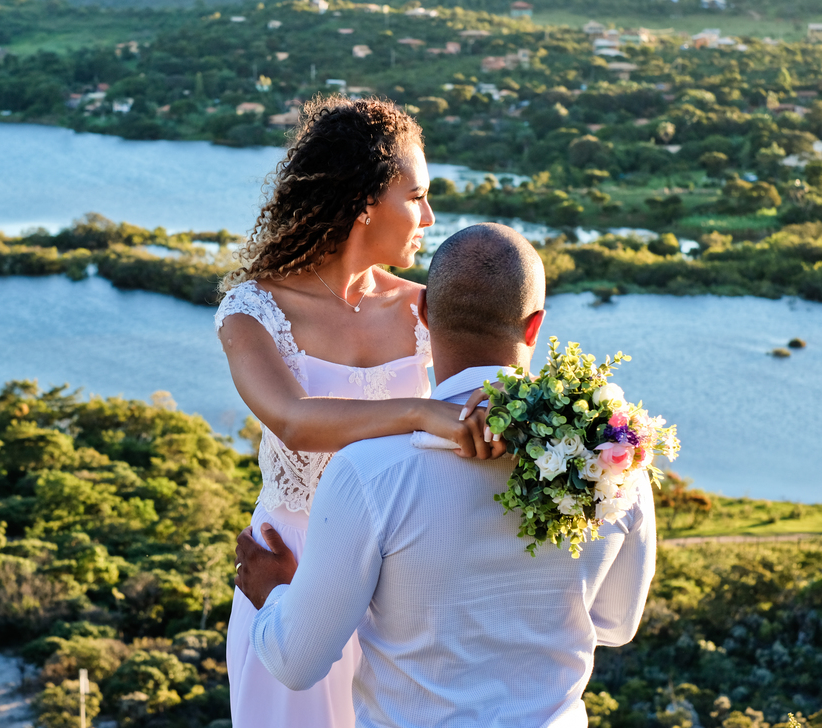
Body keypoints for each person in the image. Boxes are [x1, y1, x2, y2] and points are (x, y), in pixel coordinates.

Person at [235, 223, 657, 727]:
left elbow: (295, 661)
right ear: (534, 326)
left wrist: (273, 593)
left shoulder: (368, 472)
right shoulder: (611, 458)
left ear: (425, 313)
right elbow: (616, 622)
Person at [215, 96, 504, 728]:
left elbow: (497, 379)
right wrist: (425, 414)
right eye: (417, 196)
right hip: (290, 568)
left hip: (406, 574)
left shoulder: (426, 307)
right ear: (365, 200)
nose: (430, 216)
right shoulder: (253, 311)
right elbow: (293, 418)